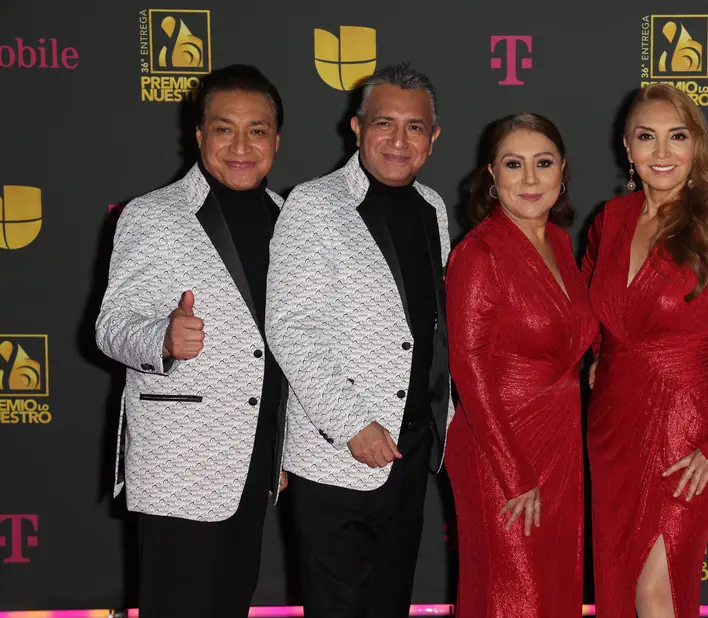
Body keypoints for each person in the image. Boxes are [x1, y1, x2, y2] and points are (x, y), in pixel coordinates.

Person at [95, 64, 288, 618]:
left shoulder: (291, 219)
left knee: (232, 602)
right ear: (200, 134)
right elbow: (111, 326)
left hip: (255, 455)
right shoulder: (152, 215)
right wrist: (162, 337)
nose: (241, 146)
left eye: (257, 130)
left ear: (276, 140)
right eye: (224, 129)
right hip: (180, 457)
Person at [266, 63, 453, 618]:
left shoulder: (433, 207)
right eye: (383, 123)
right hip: (337, 453)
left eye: (414, 127)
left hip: (411, 450)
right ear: (356, 127)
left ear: (433, 138)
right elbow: (291, 326)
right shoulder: (313, 204)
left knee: (389, 603)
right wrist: (353, 424)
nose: (399, 140)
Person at [583, 83, 708, 618]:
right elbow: (586, 304)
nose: (662, 152)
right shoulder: (610, 219)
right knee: (620, 585)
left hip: (685, 430)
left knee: (658, 590)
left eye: (677, 136)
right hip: (612, 425)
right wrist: (598, 353)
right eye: (647, 137)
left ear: (696, 145)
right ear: (627, 147)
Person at [445, 113, 597, 617]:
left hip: (561, 440)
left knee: (553, 586)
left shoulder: (559, 242)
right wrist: (514, 474)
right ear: (492, 174)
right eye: (514, 164)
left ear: (562, 170)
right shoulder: (478, 253)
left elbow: (575, 330)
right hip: (500, 446)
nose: (530, 178)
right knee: (513, 594)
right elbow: (468, 369)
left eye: (543, 163)